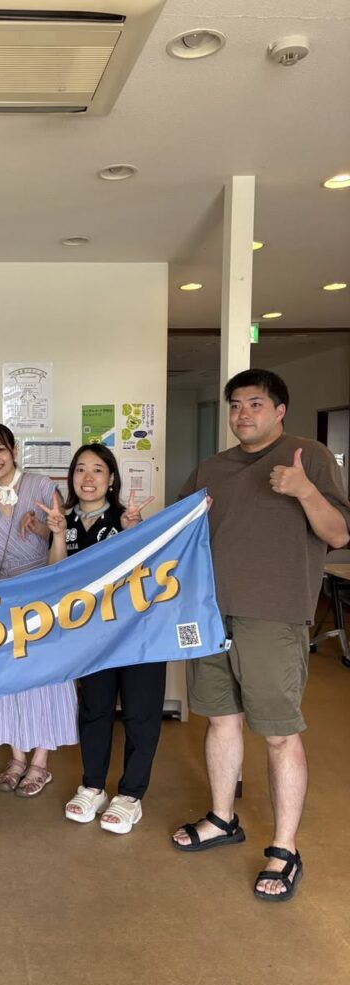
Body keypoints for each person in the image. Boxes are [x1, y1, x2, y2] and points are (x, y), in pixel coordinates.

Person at [171, 369, 350, 901]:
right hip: (211, 615)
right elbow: (180, 533)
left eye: (254, 403)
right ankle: (222, 818)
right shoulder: (212, 468)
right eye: (235, 404)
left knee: (278, 732)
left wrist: (304, 490)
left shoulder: (308, 456)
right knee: (221, 720)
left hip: (273, 617)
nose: (242, 413)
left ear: (279, 411)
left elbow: (339, 533)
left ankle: (285, 848)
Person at [0, 423, 78, 797]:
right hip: (3, 597)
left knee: (45, 677)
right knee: (8, 678)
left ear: (14, 451)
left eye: (0, 449)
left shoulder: (41, 486)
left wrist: (38, 526)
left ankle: (40, 762)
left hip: (43, 592)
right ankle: (17, 757)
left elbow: (60, 538)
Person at [44, 443, 163, 832]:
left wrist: (135, 534)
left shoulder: (127, 519)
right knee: (94, 710)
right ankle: (92, 786)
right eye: (80, 469)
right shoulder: (64, 521)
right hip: (91, 637)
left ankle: (130, 795)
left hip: (138, 633)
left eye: (98, 470)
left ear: (111, 479)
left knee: (139, 713)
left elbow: (148, 573)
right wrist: (57, 535)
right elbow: (57, 578)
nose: (88, 477)